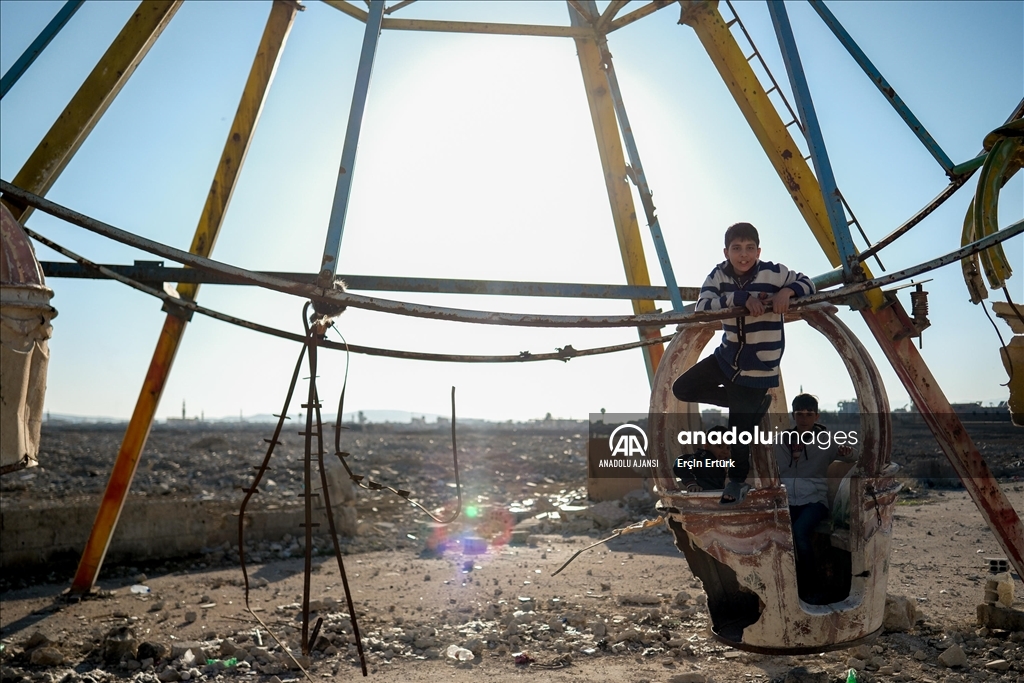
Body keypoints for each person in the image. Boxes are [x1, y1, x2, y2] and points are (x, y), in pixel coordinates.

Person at [673, 222, 815, 505]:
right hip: (728, 356)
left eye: (750, 248)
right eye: (736, 249)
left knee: (739, 434)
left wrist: (788, 293)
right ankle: (749, 408)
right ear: (726, 251)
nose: (743, 255)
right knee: (683, 388)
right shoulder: (718, 275)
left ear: (758, 250)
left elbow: (808, 283)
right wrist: (739, 298)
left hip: (758, 365)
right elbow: (703, 306)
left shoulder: (774, 273)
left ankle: (737, 482)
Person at [775, 393, 855, 602]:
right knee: (779, 536)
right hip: (787, 501)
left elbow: (854, 455)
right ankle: (787, 586)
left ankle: (810, 586)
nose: (803, 418)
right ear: (793, 415)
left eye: (809, 414)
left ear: (816, 416)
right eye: (799, 414)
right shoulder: (781, 441)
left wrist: (848, 452)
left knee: (799, 532)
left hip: (815, 501)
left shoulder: (825, 441)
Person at [673, 425, 730, 492]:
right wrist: (691, 483)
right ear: (707, 446)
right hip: (700, 497)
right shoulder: (703, 458)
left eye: (728, 448)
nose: (725, 451)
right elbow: (680, 463)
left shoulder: (720, 464)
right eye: (720, 446)